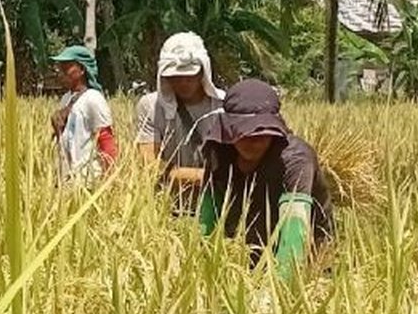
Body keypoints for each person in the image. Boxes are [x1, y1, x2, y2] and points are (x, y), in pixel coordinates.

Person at [198, 79, 334, 281]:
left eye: (260, 134)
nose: (251, 140)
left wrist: (271, 300)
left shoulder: (294, 159)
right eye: (242, 133)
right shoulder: (219, 154)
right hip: (244, 264)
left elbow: (294, 242)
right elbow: (206, 226)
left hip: (307, 267)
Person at [136, 32, 224, 207]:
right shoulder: (150, 106)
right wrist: (205, 177)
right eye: (176, 77)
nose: (183, 82)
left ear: (203, 72)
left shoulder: (224, 106)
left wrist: (174, 174)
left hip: (216, 205)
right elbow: (149, 166)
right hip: (168, 205)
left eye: (190, 75)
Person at [50, 45, 117, 182]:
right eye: (60, 67)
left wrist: (109, 179)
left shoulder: (93, 99)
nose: (61, 72)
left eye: (66, 67)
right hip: (69, 179)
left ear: (81, 70)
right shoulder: (66, 99)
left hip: (89, 179)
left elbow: (106, 140)